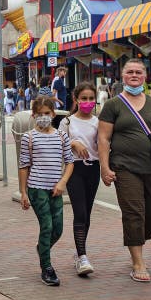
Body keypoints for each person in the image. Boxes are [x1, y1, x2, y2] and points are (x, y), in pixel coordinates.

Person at [98, 58, 151, 282]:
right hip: (124, 167)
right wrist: (104, 167)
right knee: (134, 213)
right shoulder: (113, 105)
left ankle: (136, 239)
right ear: (122, 76)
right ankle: (138, 262)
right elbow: (103, 138)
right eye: (129, 72)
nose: (134, 76)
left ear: (145, 76)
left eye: (138, 72)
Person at [18, 96, 74, 286]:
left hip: (56, 190)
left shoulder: (61, 136)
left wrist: (62, 182)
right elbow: (24, 166)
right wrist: (23, 192)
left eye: (47, 114)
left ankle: (42, 248)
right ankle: (47, 268)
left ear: (53, 114)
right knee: (47, 226)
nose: (43, 117)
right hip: (36, 189)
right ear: (33, 116)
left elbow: (69, 162)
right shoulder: (29, 137)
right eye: (39, 114)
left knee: (57, 229)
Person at [58, 82, 100, 276]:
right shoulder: (67, 122)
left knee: (88, 214)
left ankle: (79, 251)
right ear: (76, 99)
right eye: (84, 98)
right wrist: (73, 143)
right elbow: (58, 145)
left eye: (91, 98)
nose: (88, 102)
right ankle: (82, 257)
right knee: (80, 213)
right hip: (74, 169)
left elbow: (105, 146)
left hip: (93, 169)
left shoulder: (98, 122)